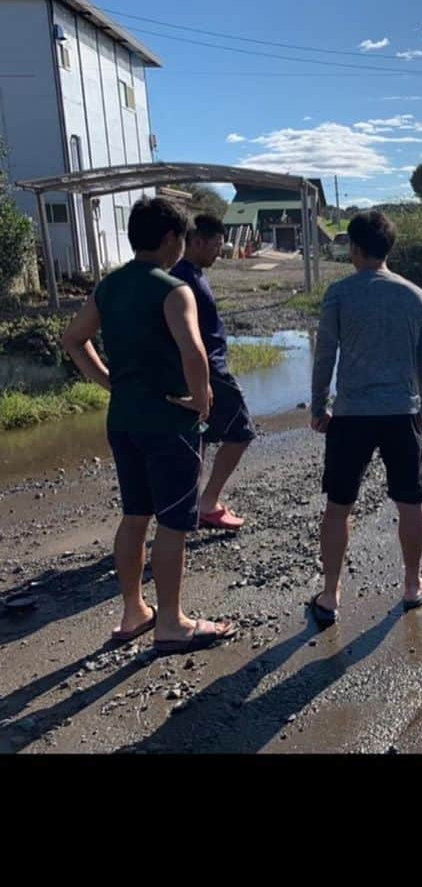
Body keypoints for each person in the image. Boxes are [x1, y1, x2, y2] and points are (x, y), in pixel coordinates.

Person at [61, 196, 235, 655]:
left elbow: (73, 339)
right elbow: (193, 351)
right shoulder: (173, 289)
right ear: (172, 239)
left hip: (124, 419)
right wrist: (201, 402)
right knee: (174, 523)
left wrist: (109, 382)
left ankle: (134, 611)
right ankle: (172, 623)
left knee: (135, 516)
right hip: (168, 421)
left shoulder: (109, 287)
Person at [309, 209, 422, 627]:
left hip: (351, 416)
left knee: (338, 506)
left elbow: (325, 354)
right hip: (402, 414)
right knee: (410, 502)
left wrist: (317, 406)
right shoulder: (416, 297)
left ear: (355, 248)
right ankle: (411, 584)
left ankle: (330, 596)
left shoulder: (339, 294)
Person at [170, 213, 255, 529]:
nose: (220, 252)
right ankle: (206, 504)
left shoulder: (190, 274)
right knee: (241, 434)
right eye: (216, 245)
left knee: (202, 440)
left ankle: (193, 504)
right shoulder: (184, 280)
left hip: (207, 372)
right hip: (212, 374)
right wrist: (204, 380)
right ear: (197, 242)